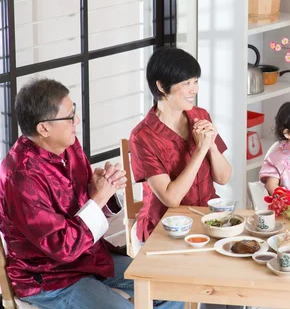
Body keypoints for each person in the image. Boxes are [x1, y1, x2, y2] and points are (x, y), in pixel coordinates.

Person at [0, 78, 183, 309]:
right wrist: (98, 199)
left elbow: (88, 210)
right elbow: (62, 248)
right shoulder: (20, 176)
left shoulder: (70, 146)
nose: (76, 120)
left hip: (89, 258)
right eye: (69, 117)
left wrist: (99, 190)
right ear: (43, 128)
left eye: (73, 110)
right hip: (50, 277)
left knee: (173, 285)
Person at [130, 48, 232, 252]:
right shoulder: (142, 137)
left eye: (195, 81)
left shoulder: (200, 115)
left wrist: (211, 144)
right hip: (164, 229)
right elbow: (171, 199)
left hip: (206, 219)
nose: (194, 89)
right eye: (186, 83)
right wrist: (200, 150)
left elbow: (223, 177)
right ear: (161, 86)